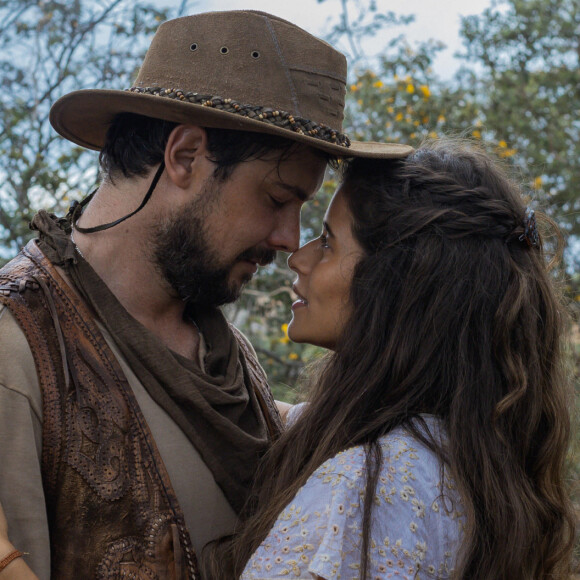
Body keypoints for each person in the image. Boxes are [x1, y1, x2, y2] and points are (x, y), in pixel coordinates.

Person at [0, 10, 412, 580]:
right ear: (186, 156)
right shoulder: (18, 347)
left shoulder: (230, 354)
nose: (289, 239)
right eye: (276, 198)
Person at [202, 138, 575, 579]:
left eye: (328, 242)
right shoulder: (459, 454)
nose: (297, 258)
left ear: (395, 284)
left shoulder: (369, 484)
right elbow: (278, 416)